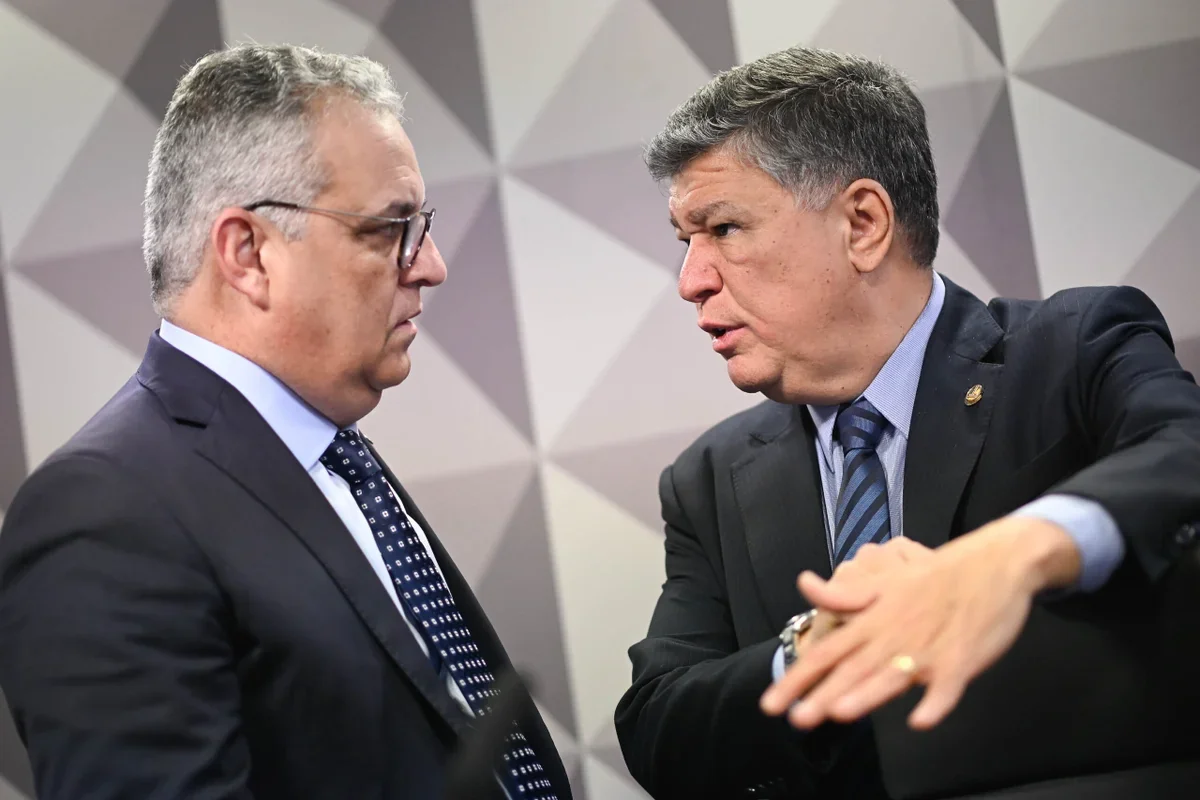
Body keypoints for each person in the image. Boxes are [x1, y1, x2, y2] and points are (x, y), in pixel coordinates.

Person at [614, 44, 1200, 800]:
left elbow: (1183, 454)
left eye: (723, 228)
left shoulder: (1073, 349)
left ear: (863, 223)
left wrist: (1009, 556)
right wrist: (816, 649)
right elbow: (659, 726)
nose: (691, 280)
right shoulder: (708, 479)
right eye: (685, 241)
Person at [0, 43, 569, 800]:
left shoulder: (333, 454)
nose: (430, 264)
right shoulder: (104, 512)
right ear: (248, 254)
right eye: (387, 229)